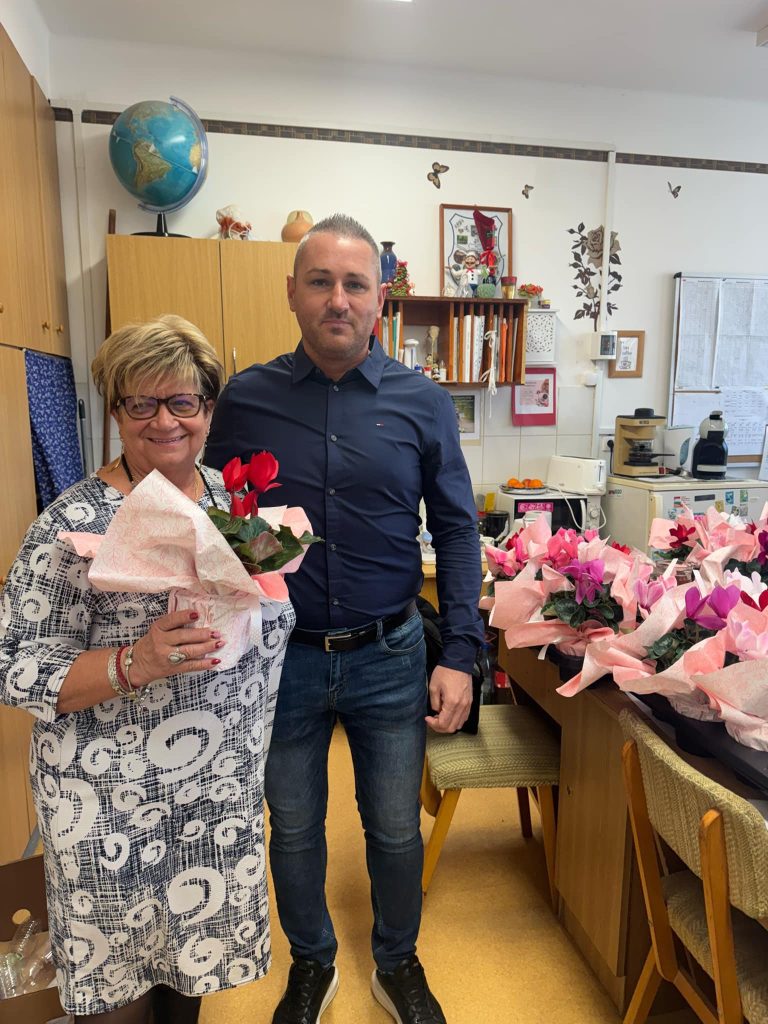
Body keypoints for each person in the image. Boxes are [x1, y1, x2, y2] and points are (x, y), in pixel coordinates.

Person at [206, 214, 483, 1024]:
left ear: (379, 300)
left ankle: (398, 962)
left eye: (355, 284)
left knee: (394, 829)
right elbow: (217, 518)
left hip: (388, 655)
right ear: (291, 292)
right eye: (320, 281)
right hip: (281, 659)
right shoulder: (246, 399)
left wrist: (460, 653)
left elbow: (457, 530)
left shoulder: (423, 403)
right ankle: (312, 963)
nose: (338, 299)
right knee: (293, 827)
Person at [0, 316, 294, 1023]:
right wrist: (134, 662)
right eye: (141, 403)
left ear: (208, 409)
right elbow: (16, 667)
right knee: (117, 992)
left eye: (182, 401)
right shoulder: (72, 522)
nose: (164, 421)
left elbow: (269, 614)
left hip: (211, 795)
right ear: (116, 411)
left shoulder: (232, 505)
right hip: (110, 805)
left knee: (187, 978)